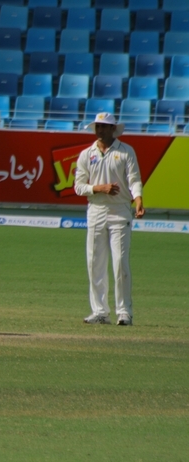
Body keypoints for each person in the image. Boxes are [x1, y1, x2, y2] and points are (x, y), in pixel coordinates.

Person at [74, 112, 145, 326]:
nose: (100, 130)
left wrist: (139, 199)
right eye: (97, 126)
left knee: (120, 263)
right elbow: (78, 187)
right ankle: (100, 312)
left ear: (113, 129)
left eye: (104, 126)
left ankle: (124, 312)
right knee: (95, 263)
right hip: (96, 210)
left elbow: (134, 179)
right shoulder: (87, 154)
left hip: (120, 211)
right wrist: (98, 188)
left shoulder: (126, 151)